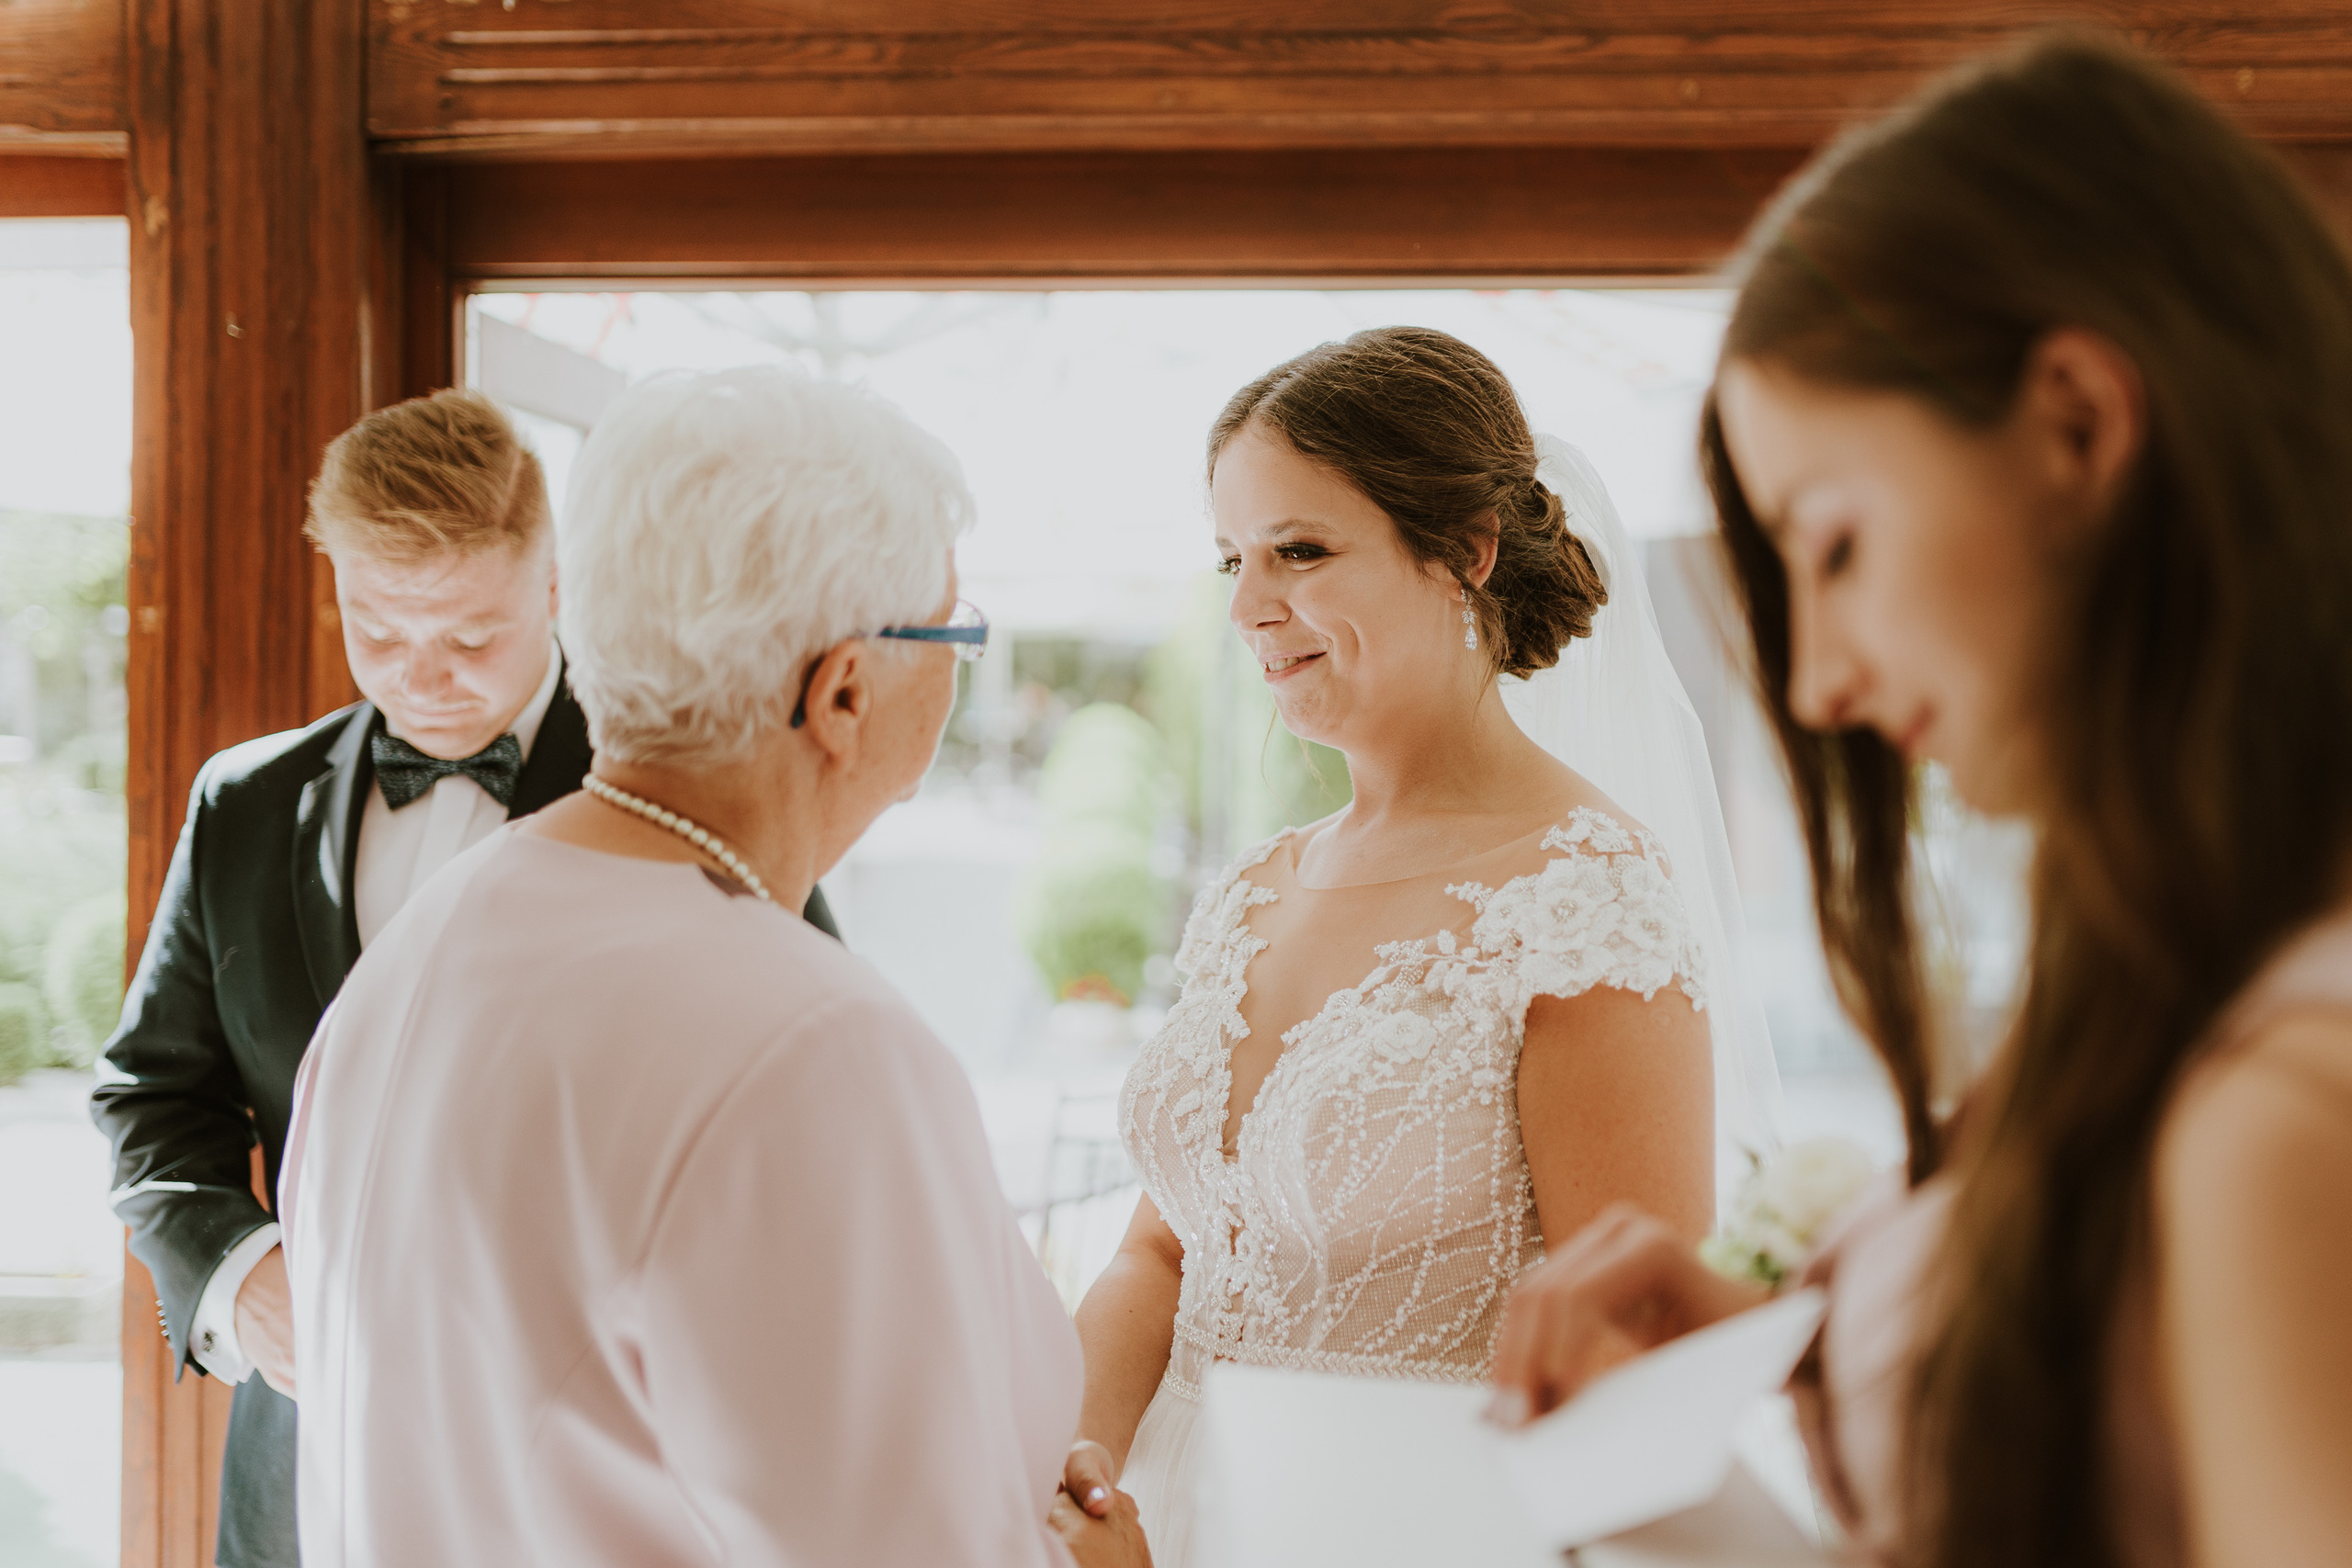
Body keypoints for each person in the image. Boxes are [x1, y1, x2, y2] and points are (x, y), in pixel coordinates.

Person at [1487, 33, 2352, 1568]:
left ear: (2079, 424)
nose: (1817, 684)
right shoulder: (2160, 975)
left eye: (1832, 544)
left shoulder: (2289, 1098)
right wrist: (1716, 1434)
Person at [279, 367, 1147, 1568]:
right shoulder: (815, 1042)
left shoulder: (427, 944)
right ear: (842, 687)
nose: (961, 668)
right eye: (954, 632)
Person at [1062, 327, 1780, 1566]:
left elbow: (1634, 1362)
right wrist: (1071, 1461)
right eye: (1234, 556)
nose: (1246, 604)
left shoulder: (1579, 896)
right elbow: (1162, 1245)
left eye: (1300, 549)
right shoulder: (1253, 889)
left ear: (1464, 551)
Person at [86, 390, 826, 1568]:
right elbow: (149, 1096)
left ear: (552, 587)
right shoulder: (245, 804)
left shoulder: (696, 791)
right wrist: (240, 1272)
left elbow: (809, 1082)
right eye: (377, 630)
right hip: (305, 1461)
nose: (422, 676)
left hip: (603, 1464)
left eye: (472, 637)